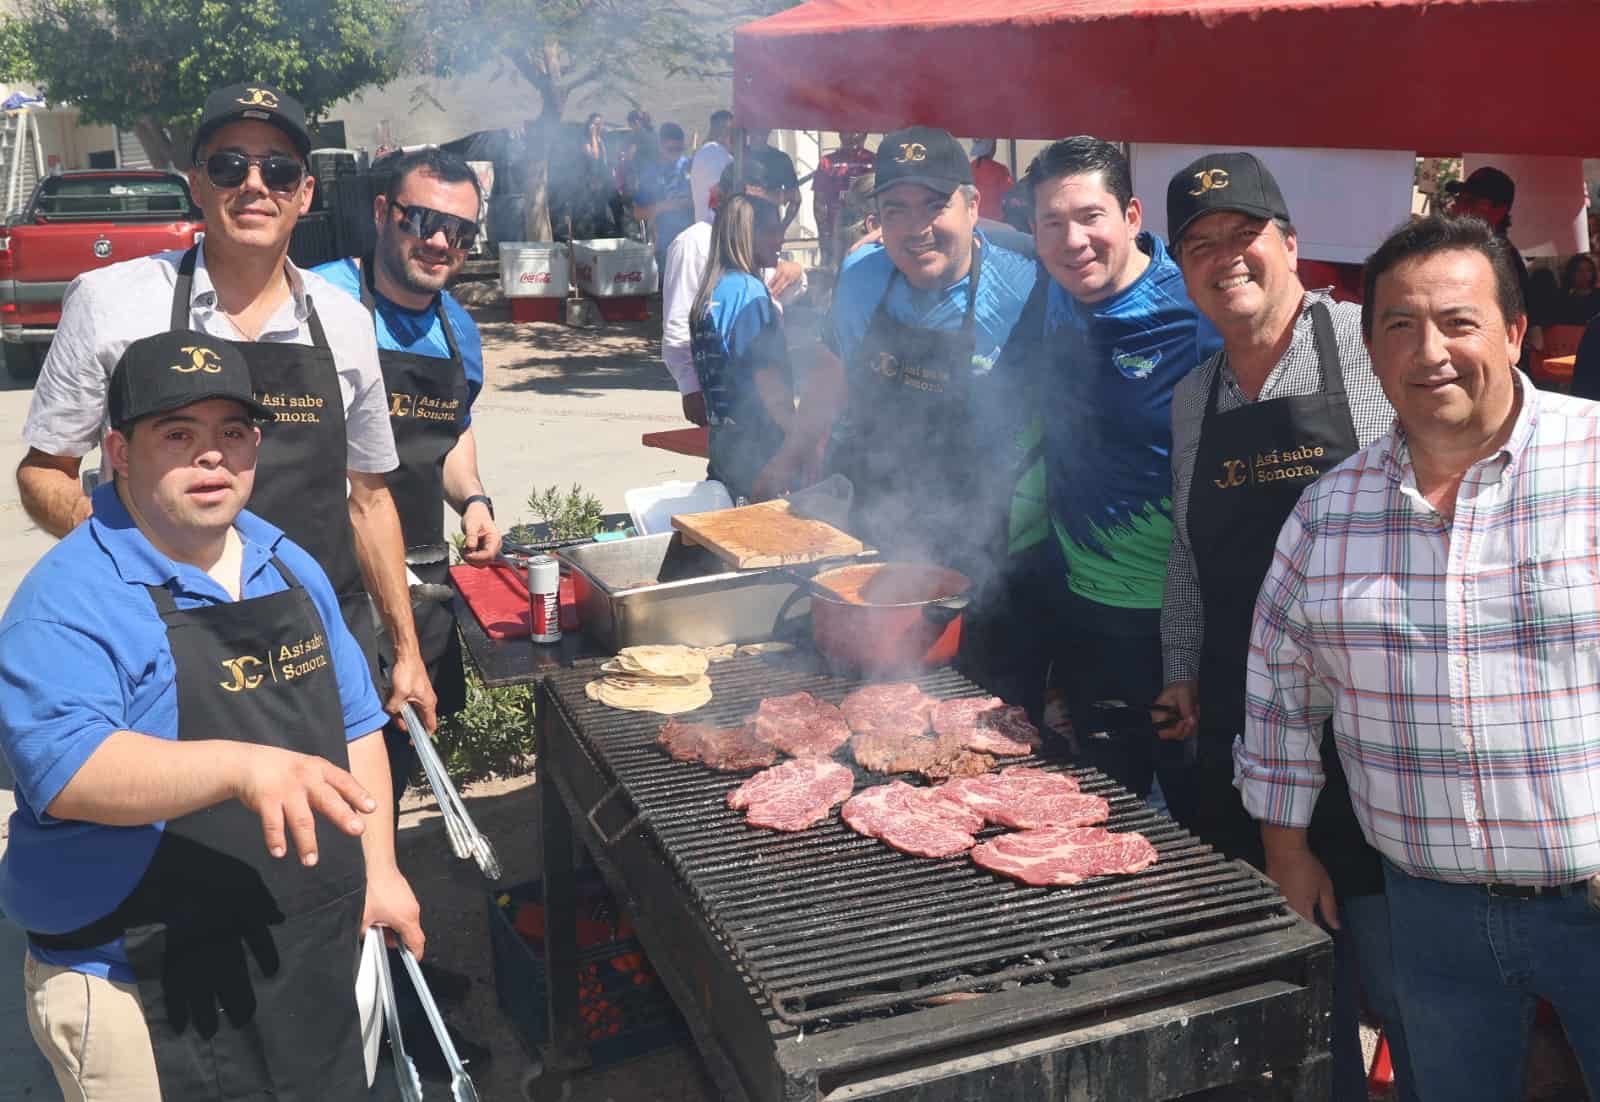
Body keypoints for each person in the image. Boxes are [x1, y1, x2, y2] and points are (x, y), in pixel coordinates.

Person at [0, 330, 422, 1101]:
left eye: (233, 433)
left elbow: (358, 723)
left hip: (301, 950)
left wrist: (382, 871)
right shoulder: (66, 602)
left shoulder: (286, 564)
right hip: (139, 976)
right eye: (178, 434)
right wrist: (240, 766)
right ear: (119, 452)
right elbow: (68, 772)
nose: (213, 457)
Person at [1239, 213, 1600, 1099]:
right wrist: (1286, 849)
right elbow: (1281, 693)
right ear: (1371, 351)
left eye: (1458, 322)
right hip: (1428, 914)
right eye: (1400, 326)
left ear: (1516, 332)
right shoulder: (1329, 511)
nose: (1429, 349)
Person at [15, 80, 436, 729]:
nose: (254, 184)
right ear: (198, 183)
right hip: (168, 643)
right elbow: (45, 471)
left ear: (305, 192)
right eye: (229, 165)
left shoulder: (347, 322)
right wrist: (131, 560)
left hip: (319, 644)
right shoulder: (111, 303)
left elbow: (370, 499)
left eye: (278, 169)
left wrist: (406, 652)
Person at [1156, 151, 1416, 1102]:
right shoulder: (1196, 395)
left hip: (1378, 719)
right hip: (1249, 719)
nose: (1225, 259)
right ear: (1179, 271)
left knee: (1402, 983)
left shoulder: (1366, 342)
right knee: (1295, 987)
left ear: (1290, 243)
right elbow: (1188, 552)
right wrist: (1179, 669)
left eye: (1243, 235)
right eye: (1199, 247)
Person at [312, 146, 498, 1076]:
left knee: (396, 782)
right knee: (343, 798)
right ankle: (365, 1006)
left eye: (458, 231)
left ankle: (392, 953)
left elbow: (454, 439)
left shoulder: (458, 327)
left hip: (418, 590)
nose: (438, 242)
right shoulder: (321, 302)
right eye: (423, 220)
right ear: (383, 213)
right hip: (329, 594)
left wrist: (473, 500)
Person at [997, 137, 1220, 803]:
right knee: (1103, 802)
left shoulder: (1195, 311)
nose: (1073, 241)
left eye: (1091, 216)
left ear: (1131, 215)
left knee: (1191, 815)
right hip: (1081, 605)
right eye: (1052, 222)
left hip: (1176, 623)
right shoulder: (1053, 294)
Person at [756, 125, 1037, 585]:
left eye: (935, 205)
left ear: (972, 208)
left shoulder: (1026, 280)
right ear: (878, 221)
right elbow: (834, 370)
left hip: (986, 527)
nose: (916, 228)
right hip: (875, 512)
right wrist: (791, 454)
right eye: (896, 210)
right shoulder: (862, 274)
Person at [661, 152, 806, 428]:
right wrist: (690, 387)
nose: (780, 237)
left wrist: (797, 272)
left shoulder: (735, 279)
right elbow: (679, 325)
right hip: (755, 425)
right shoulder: (695, 246)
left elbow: (785, 286)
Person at [690, 194, 794, 502]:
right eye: (772, 230)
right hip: (758, 447)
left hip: (724, 441)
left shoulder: (713, 291)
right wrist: (800, 437)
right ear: (750, 235)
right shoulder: (750, 293)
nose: (781, 238)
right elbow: (768, 381)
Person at [634, 122, 693, 273]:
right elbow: (639, 213)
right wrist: (669, 206)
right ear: (660, 147)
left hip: (692, 244)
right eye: (671, 149)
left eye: (679, 149)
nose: (676, 154)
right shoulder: (650, 173)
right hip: (665, 248)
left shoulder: (689, 166)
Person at [814, 132, 875, 267]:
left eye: (857, 132)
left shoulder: (874, 160)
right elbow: (819, 201)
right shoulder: (827, 162)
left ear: (865, 135)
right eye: (848, 131)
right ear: (840, 135)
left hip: (867, 226)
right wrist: (823, 233)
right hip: (837, 226)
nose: (853, 136)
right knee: (837, 269)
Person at [690, 109, 735, 225]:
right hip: (714, 230)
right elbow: (716, 193)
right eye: (732, 130)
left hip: (710, 229)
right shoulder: (714, 151)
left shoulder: (709, 152)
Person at [969, 139, 1012, 221]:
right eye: (995, 144)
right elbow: (1010, 194)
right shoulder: (1000, 169)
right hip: (995, 221)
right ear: (991, 147)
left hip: (975, 220)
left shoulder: (970, 167)